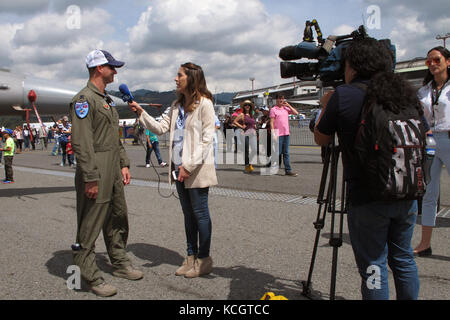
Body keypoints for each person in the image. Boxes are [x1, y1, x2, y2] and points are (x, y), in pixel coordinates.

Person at [314, 38, 420, 300]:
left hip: (367, 195)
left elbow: (322, 138)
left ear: (352, 65)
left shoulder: (345, 94)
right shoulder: (405, 92)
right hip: (407, 189)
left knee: (374, 264)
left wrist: (326, 105)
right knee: (403, 259)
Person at [128, 62, 217, 278]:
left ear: (192, 78)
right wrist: (141, 113)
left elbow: (207, 140)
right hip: (178, 168)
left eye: (179, 75)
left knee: (200, 214)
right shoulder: (176, 105)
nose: (175, 79)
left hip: (195, 168)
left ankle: (203, 259)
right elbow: (159, 128)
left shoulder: (205, 104)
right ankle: (190, 257)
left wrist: (188, 166)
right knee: (188, 215)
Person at [70, 49, 143, 297]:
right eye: (112, 67)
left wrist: (123, 163)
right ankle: (89, 275)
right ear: (98, 68)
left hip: (112, 167)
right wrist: (90, 176)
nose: (115, 71)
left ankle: (119, 261)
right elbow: (81, 142)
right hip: (96, 169)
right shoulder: (84, 100)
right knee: (90, 223)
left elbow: (114, 137)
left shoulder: (107, 100)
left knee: (117, 216)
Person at [414, 46, 450, 257]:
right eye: (429, 62)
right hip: (430, 141)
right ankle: (425, 243)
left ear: (447, 61)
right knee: (429, 193)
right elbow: (420, 115)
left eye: (436, 59)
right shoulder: (424, 90)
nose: (433, 64)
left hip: (448, 137)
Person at [270, 94, 298, 176]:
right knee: (277, 152)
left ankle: (288, 170)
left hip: (286, 133)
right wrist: (273, 133)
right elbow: (271, 122)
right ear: (276, 100)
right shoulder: (273, 109)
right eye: (279, 99)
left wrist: (288, 105)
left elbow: (296, 113)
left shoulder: (286, 108)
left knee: (286, 153)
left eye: (282, 99)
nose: (281, 100)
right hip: (278, 133)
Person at [233, 100, 257, 173]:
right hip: (244, 134)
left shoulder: (252, 115)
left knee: (255, 149)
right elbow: (234, 121)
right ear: (244, 106)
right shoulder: (242, 115)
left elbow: (253, 123)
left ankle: (249, 162)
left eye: (249, 105)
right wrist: (241, 126)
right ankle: (247, 165)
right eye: (246, 105)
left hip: (252, 134)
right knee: (246, 150)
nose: (247, 106)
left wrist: (255, 127)